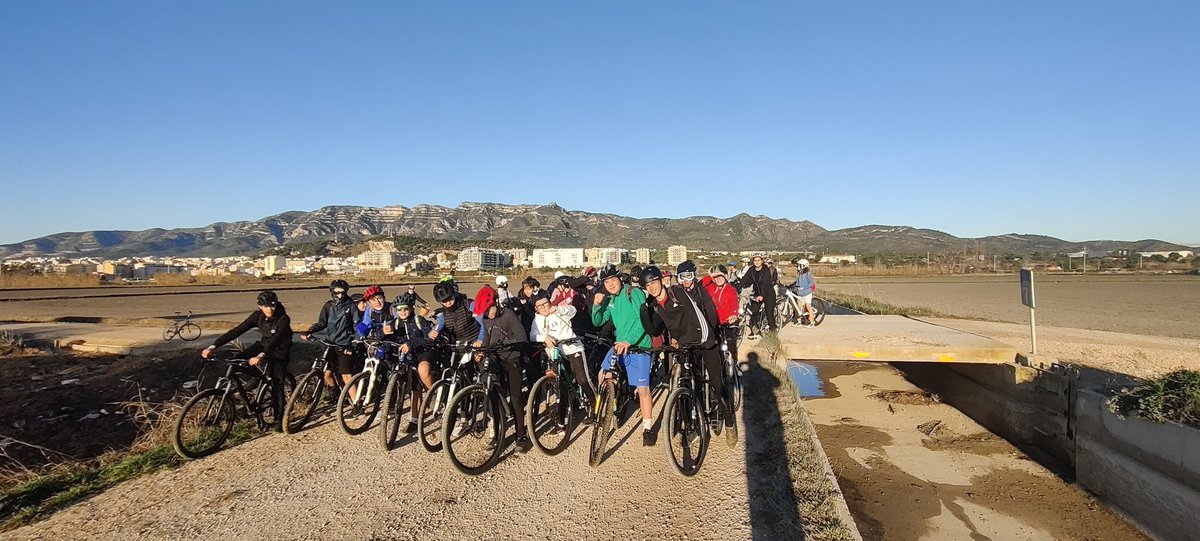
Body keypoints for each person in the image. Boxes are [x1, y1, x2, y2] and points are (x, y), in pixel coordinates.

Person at [640, 265, 737, 447]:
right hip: (686, 346)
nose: (651, 287)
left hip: (705, 342)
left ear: (661, 280)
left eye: (654, 283)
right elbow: (655, 330)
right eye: (647, 286)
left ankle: (730, 422)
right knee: (689, 384)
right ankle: (691, 427)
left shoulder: (677, 292)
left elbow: (696, 316)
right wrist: (644, 309)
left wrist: (706, 337)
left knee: (717, 382)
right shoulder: (655, 305)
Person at [202, 291, 293, 432]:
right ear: (259, 306)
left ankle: (278, 419)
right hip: (263, 345)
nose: (270, 309)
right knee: (235, 362)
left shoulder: (283, 318)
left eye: (272, 306)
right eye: (266, 306)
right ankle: (250, 387)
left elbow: (276, 340)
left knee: (277, 384)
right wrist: (213, 346)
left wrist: (261, 356)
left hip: (279, 350)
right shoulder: (257, 316)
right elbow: (238, 330)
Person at [590, 264, 657, 446]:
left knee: (643, 390)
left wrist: (629, 340)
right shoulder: (610, 299)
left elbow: (642, 321)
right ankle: (608, 405)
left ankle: (647, 427)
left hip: (638, 346)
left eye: (612, 280)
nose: (610, 284)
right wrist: (596, 306)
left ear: (620, 279)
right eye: (606, 282)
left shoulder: (632, 293)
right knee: (602, 374)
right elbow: (598, 321)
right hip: (619, 345)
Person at [477, 291, 532, 452]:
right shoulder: (486, 319)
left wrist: (506, 343)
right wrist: (481, 352)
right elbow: (487, 339)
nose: (488, 314)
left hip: (512, 358)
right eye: (485, 312)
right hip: (496, 359)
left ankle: (521, 436)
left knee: (515, 399)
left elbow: (522, 337)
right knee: (493, 398)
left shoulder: (508, 315)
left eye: (489, 310)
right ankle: (497, 435)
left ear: (496, 303)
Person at [531, 294, 596, 422]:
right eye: (540, 306)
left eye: (545, 304)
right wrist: (544, 338)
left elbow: (573, 310)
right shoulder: (536, 320)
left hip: (572, 349)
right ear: (536, 308)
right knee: (559, 384)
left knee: (582, 379)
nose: (543, 307)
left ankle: (595, 407)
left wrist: (559, 309)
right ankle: (562, 417)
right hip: (555, 353)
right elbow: (532, 335)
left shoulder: (559, 311)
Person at [301, 279, 359, 398]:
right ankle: (335, 393)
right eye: (337, 292)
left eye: (343, 292)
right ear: (332, 292)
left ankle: (357, 403)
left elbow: (357, 325)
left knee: (346, 375)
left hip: (344, 345)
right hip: (330, 343)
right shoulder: (328, 306)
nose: (340, 295)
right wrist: (310, 331)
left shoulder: (351, 306)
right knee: (326, 373)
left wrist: (355, 341)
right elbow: (322, 323)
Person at [392, 301, 430, 433]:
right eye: (399, 309)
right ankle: (414, 419)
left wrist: (411, 343)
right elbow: (388, 337)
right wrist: (383, 334)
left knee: (423, 371)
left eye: (405, 309)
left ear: (411, 308)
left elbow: (427, 336)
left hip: (423, 352)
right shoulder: (396, 323)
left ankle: (434, 395)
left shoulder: (418, 320)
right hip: (407, 356)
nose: (402, 312)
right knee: (415, 388)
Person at [703, 265, 746, 372]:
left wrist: (734, 315)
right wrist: (710, 276)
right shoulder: (710, 288)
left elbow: (734, 304)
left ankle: (735, 365)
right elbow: (699, 285)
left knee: (731, 343)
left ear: (726, 277)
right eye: (716, 277)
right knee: (715, 346)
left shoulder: (731, 290)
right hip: (713, 322)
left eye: (721, 276)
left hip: (727, 321)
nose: (718, 279)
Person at [742, 254, 777, 334]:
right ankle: (755, 329)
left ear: (762, 261)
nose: (757, 262)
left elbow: (765, 284)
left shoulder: (766, 270)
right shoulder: (751, 270)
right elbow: (745, 279)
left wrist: (762, 295)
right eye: (755, 260)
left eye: (759, 260)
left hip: (768, 293)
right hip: (757, 293)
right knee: (752, 311)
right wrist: (735, 290)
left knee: (769, 312)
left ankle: (773, 331)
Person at [793, 259, 818, 328]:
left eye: (800, 265)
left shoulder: (808, 273)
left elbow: (811, 283)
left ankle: (812, 322)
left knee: (808, 307)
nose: (798, 266)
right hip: (800, 293)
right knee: (798, 307)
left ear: (804, 265)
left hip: (807, 292)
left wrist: (803, 287)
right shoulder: (799, 273)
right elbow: (798, 282)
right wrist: (796, 287)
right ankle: (799, 322)